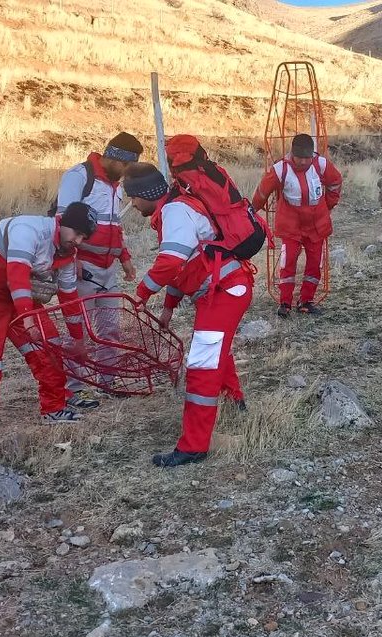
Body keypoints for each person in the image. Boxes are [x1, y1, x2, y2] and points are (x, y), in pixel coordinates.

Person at [123, 151, 254, 469]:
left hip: (224, 292)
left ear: (143, 195)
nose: (133, 207)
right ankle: (234, 401)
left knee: (201, 369)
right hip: (225, 290)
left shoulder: (176, 212)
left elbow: (171, 262)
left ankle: (194, 446)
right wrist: (168, 307)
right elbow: (187, 265)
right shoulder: (176, 208)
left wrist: (141, 294)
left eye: (133, 200)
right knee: (215, 350)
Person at [0, 203, 98, 446]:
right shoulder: (28, 230)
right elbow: (17, 274)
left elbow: (69, 298)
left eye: (84, 237)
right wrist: (28, 318)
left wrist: (77, 339)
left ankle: (53, 408)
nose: (79, 241)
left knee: (49, 346)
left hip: (16, 294)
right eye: (77, 233)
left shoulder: (66, 253)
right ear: (62, 223)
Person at [55, 132, 143, 404]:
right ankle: (74, 389)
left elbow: (114, 225)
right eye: (127, 166)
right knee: (76, 330)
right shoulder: (79, 177)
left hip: (108, 271)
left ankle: (107, 380)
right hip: (82, 269)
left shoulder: (115, 185)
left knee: (110, 329)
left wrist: (123, 256)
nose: (127, 173)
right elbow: (63, 221)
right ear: (115, 157)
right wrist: (72, 259)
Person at [252, 133, 342, 316]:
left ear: (312, 155)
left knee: (315, 263)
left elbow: (335, 182)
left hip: (317, 224)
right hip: (291, 224)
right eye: (299, 157)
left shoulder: (321, 165)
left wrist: (328, 204)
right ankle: (285, 302)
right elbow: (262, 191)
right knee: (288, 261)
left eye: (306, 158)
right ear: (292, 154)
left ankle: (306, 301)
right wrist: (253, 210)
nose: (302, 162)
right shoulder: (280, 169)